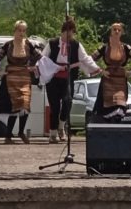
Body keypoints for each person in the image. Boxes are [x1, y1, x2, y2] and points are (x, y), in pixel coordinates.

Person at [37, 16, 99, 144]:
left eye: (72, 31)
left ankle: (61, 125)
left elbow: (85, 58)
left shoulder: (76, 45)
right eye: (68, 30)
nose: (70, 34)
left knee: (67, 102)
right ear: (63, 31)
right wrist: (40, 69)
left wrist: (95, 68)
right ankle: (53, 133)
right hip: (53, 78)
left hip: (68, 77)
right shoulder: (52, 43)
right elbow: (42, 59)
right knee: (54, 106)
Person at [0, 20, 41, 144]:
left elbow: (41, 58)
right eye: (19, 30)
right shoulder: (8, 45)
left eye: (23, 31)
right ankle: (8, 135)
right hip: (11, 78)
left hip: (25, 77)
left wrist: (37, 67)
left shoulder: (29, 45)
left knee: (25, 104)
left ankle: (21, 132)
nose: (21, 33)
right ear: (15, 31)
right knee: (14, 106)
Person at [89, 23, 131, 123]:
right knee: (105, 106)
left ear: (122, 32)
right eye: (114, 29)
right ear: (111, 31)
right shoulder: (104, 48)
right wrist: (100, 70)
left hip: (121, 81)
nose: (117, 31)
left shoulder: (127, 48)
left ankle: (117, 128)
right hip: (107, 80)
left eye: (119, 30)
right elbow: (89, 60)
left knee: (120, 104)